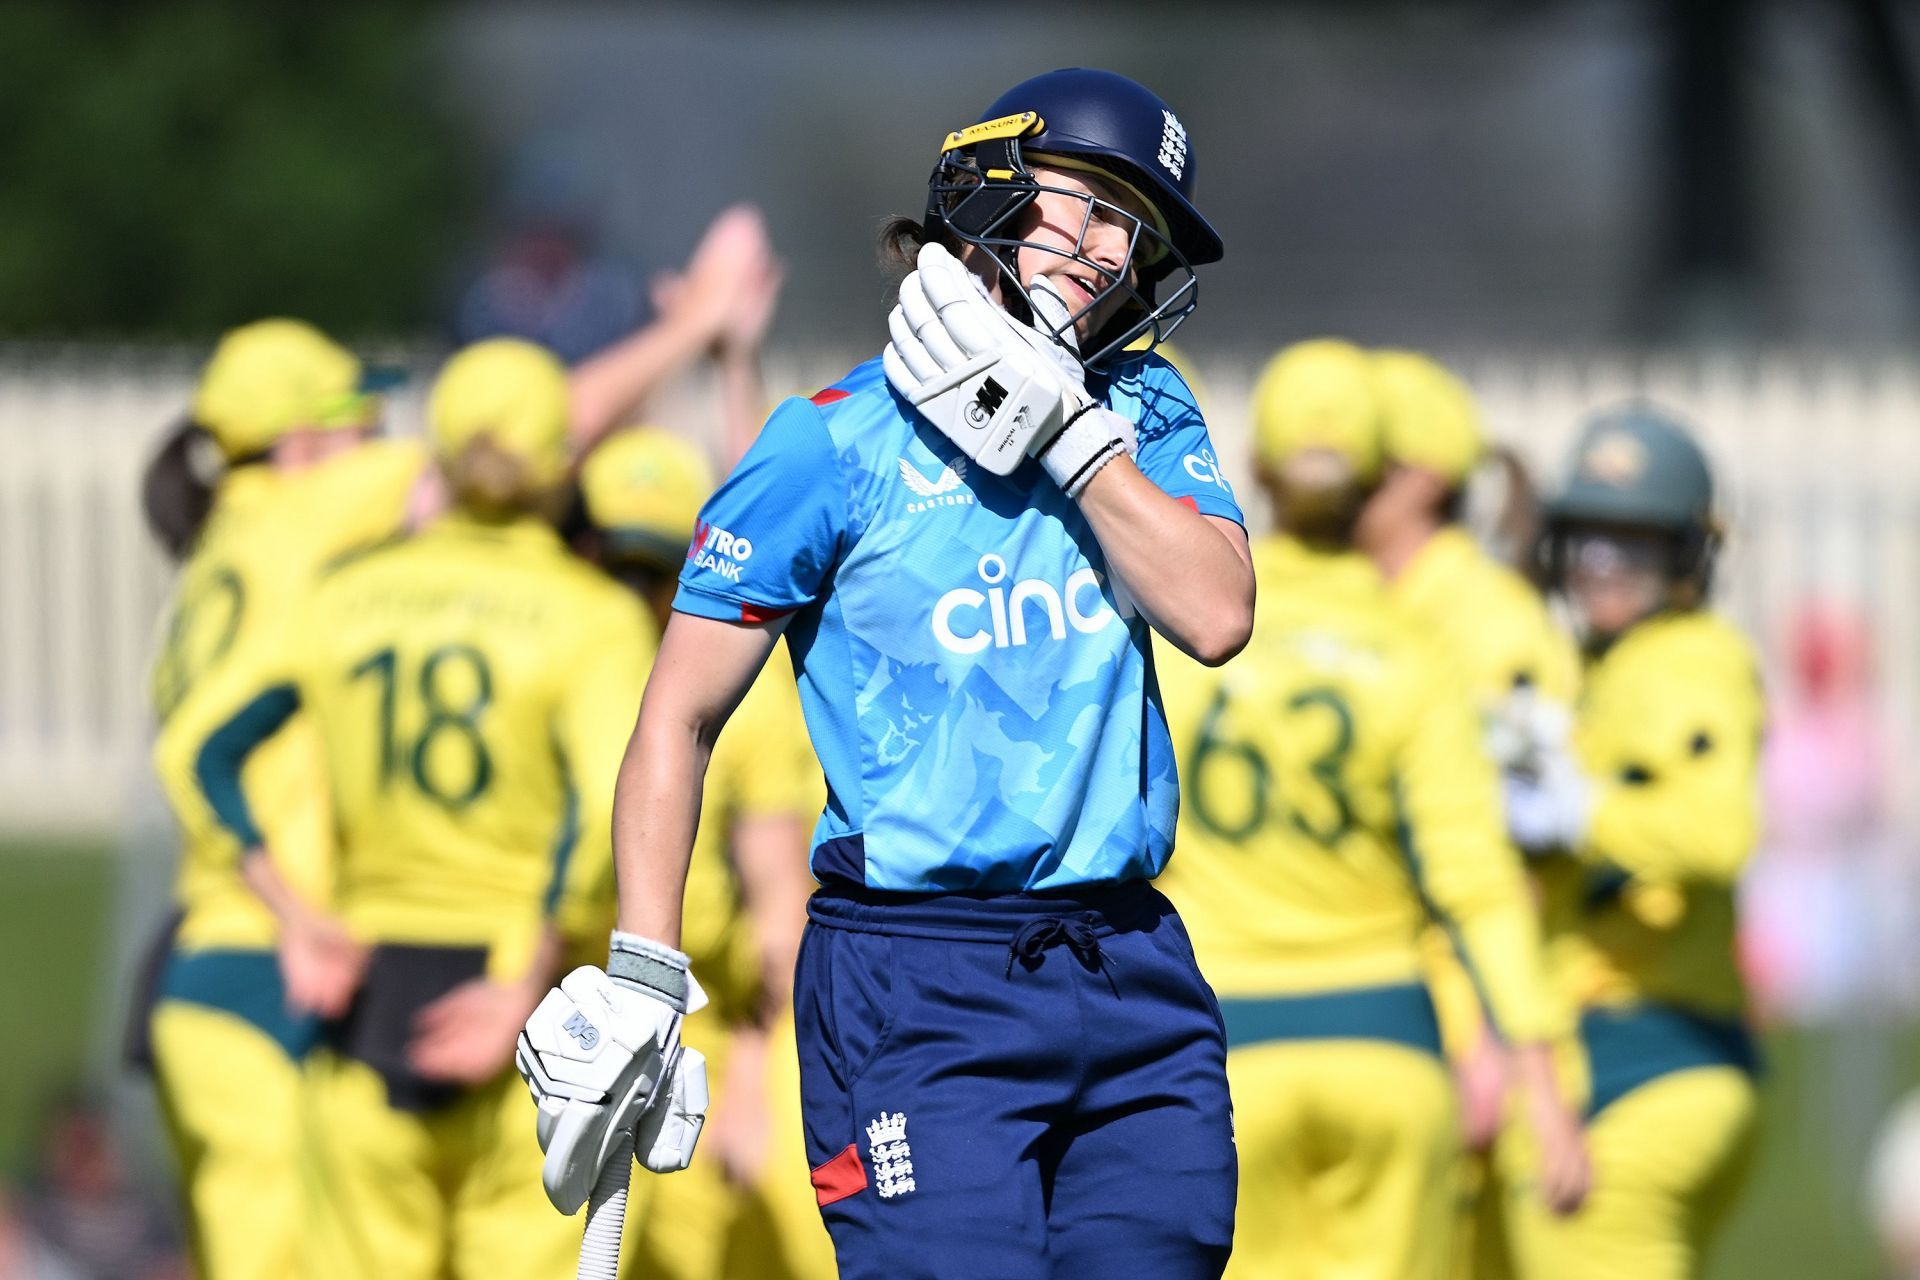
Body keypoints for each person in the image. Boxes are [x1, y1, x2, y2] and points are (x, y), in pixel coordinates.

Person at [519, 68, 1253, 1280]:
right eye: (1089, 204)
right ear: (993, 193)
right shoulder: (828, 439)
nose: (1112, 251)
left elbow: (1216, 611)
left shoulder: (1142, 407)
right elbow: (679, 715)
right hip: (916, 978)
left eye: (1137, 228)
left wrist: (1065, 434)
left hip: (1127, 964)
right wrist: (647, 963)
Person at [191, 339, 656, 1280]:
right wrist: (524, 973)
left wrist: (297, 919)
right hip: (530, 1003)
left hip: (364, 992)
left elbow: (208, 756)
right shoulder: (591, 616)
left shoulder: (347, 594)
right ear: (561, 467)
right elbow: (617, 801)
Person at [1156, 339, 1586, 1280]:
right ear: (1376, 480)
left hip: (1224, 1057)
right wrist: (1540, 1072)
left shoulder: (1186, 646)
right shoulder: (1415, 651)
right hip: (1389, 1050)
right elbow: (1476, 877)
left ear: (1259, 470)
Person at [140, 319, 427, 1280]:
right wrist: (687, 329)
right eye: (361, 419)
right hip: (268, 959)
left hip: (212, 961)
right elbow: (500, 451)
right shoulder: (304, 514)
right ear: (301, 445)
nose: (380, 438)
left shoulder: (222, 543)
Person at [1503, 405, 1763, 1280]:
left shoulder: (1692, 658)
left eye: (1636, 543)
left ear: (1687, 555)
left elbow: (1717, 830)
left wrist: (1584, 813)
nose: (1604, 566)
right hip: (1628, 1045)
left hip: (1648, 1046)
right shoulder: (1600, 665)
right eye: (1590, 539)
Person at [1359, 347, 1584, 1279]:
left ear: (1423, 482)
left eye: (1369, 460)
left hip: (1481, 1036)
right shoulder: (1378, 604)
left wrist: (1490, 1035)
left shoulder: (1492, 621)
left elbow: (1526, 845)